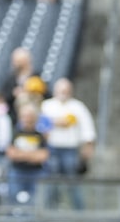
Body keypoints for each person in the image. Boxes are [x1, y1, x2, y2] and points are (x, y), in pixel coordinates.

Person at [39, 77, 95, 209]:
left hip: (71, 149)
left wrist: (88, 145)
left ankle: (78, 212)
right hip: (52, 148)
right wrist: (57, 122)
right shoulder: (47, 105)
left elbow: (87, 127)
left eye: (66, 90)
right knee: (52, 181)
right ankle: (50, 211)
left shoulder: (77, 106)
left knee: (73, 181)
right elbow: (41, 125)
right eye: (61, 90)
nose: (63, 93)